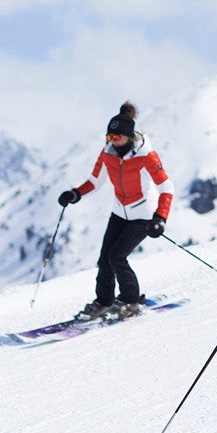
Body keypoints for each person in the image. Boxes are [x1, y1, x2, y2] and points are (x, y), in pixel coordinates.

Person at [58, 102, 175, 320]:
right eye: (108, 137)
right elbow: (95, 181)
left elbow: (166, 188)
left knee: (117, 257)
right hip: (119, 212)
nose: (111, 141)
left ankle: (130, 301)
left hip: (143, 215)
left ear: (129, 136)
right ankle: (103, 303)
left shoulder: (146, 156)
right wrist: (75, 194)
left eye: (116, 137)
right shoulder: (107, 153)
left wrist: (160, 218)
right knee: (104, 260)